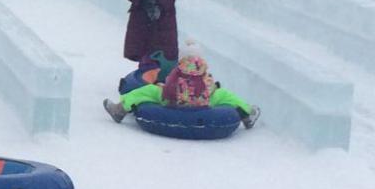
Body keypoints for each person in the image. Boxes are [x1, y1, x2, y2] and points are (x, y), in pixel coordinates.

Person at [103, 52, 261, 129]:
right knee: (224, 95)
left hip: (173, 103)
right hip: (202, 104)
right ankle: (247, 114)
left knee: (148, 91)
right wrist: (212, 90)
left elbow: (168, 89)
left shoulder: (175, 76)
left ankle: (120, 109)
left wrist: (161, 88)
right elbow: (211, 89)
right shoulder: (206, 79)